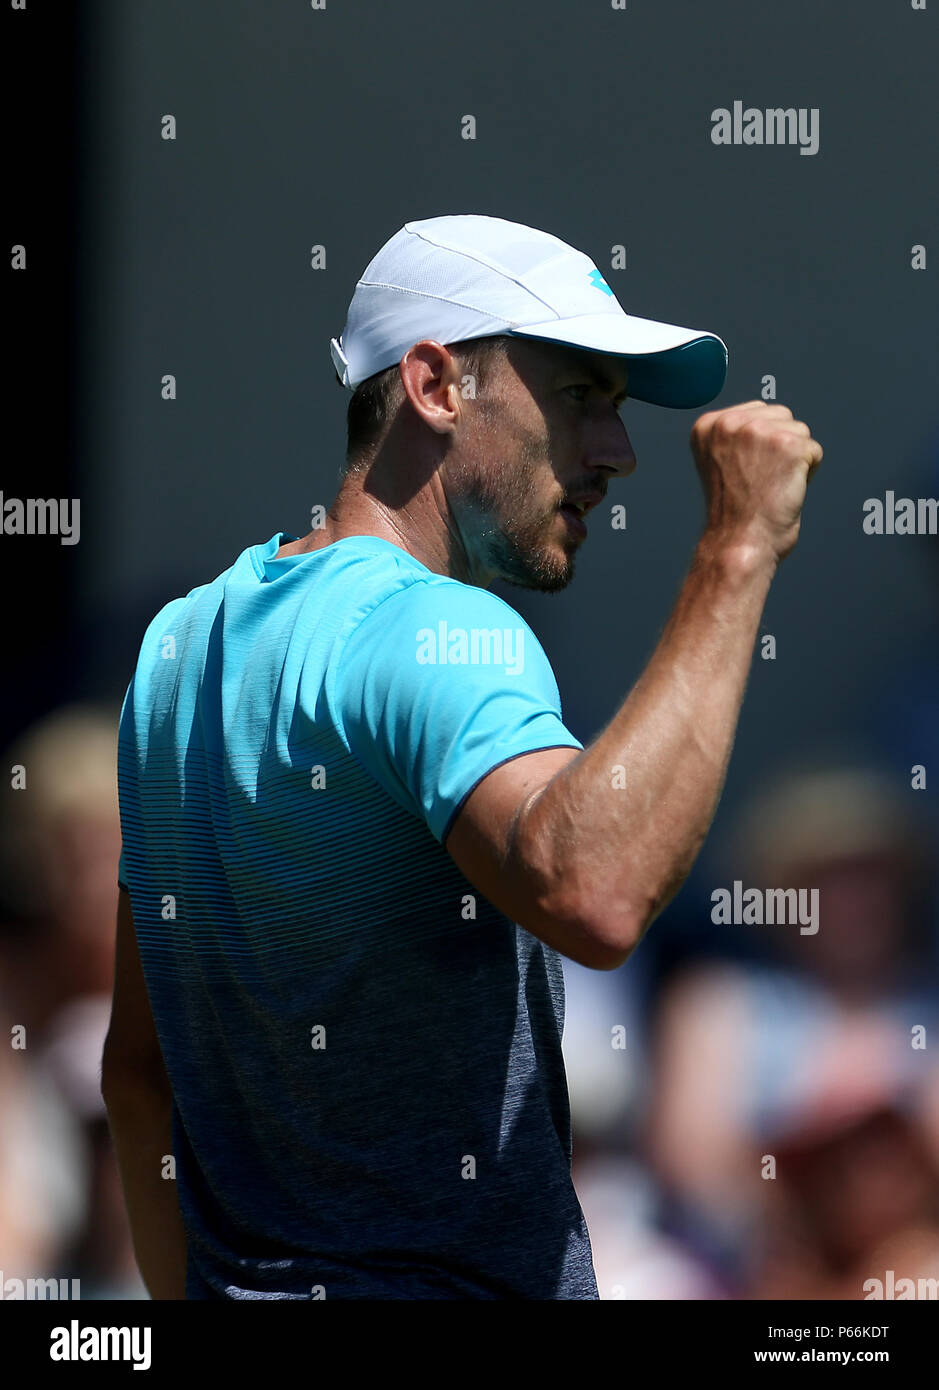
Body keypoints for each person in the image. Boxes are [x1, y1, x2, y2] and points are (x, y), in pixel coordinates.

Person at [102, 213, 822, 1300]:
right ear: (437, 385)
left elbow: (138, 1076)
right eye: (581, 396)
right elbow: (597, 889)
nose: (618, 455)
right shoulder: (443, 635)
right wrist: (736, 549)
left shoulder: (176, 649)